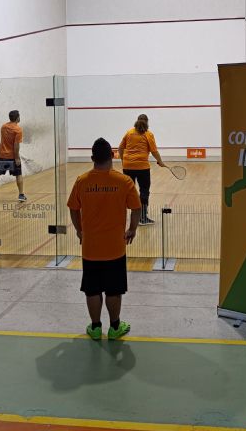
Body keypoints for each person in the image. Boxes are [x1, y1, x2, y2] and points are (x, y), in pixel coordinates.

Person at [67, 137, 141, 341]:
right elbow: (136, 208)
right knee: (114, 290)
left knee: (92, 289)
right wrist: (132, 229)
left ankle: (96, 327)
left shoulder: (82, 181)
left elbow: (73, 209)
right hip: (115, 248)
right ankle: (115, 327)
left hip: (90, 248)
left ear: (92, 158)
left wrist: (79, 231)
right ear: (112, 155)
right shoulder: (124, 181)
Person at [119, 114, 166, 225]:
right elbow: (154, 151)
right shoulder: (148, 134)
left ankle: (123, 216)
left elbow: (121, 148)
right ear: (147, 122)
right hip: (142, 168)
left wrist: (124, 161)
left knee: (128, 191)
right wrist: (160, 161)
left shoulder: (129, 132)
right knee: (144, 191)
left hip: (127, 166)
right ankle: (142, 218)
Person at [0, 110, 27, 203]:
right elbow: (16, 145)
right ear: (17, 118)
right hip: (12, 156)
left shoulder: (3, 127)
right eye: (19, 116)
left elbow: (4, 141)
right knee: (18, 174)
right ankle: (21, 195)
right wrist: (17, 158)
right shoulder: (18, 130)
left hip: (1, 155)